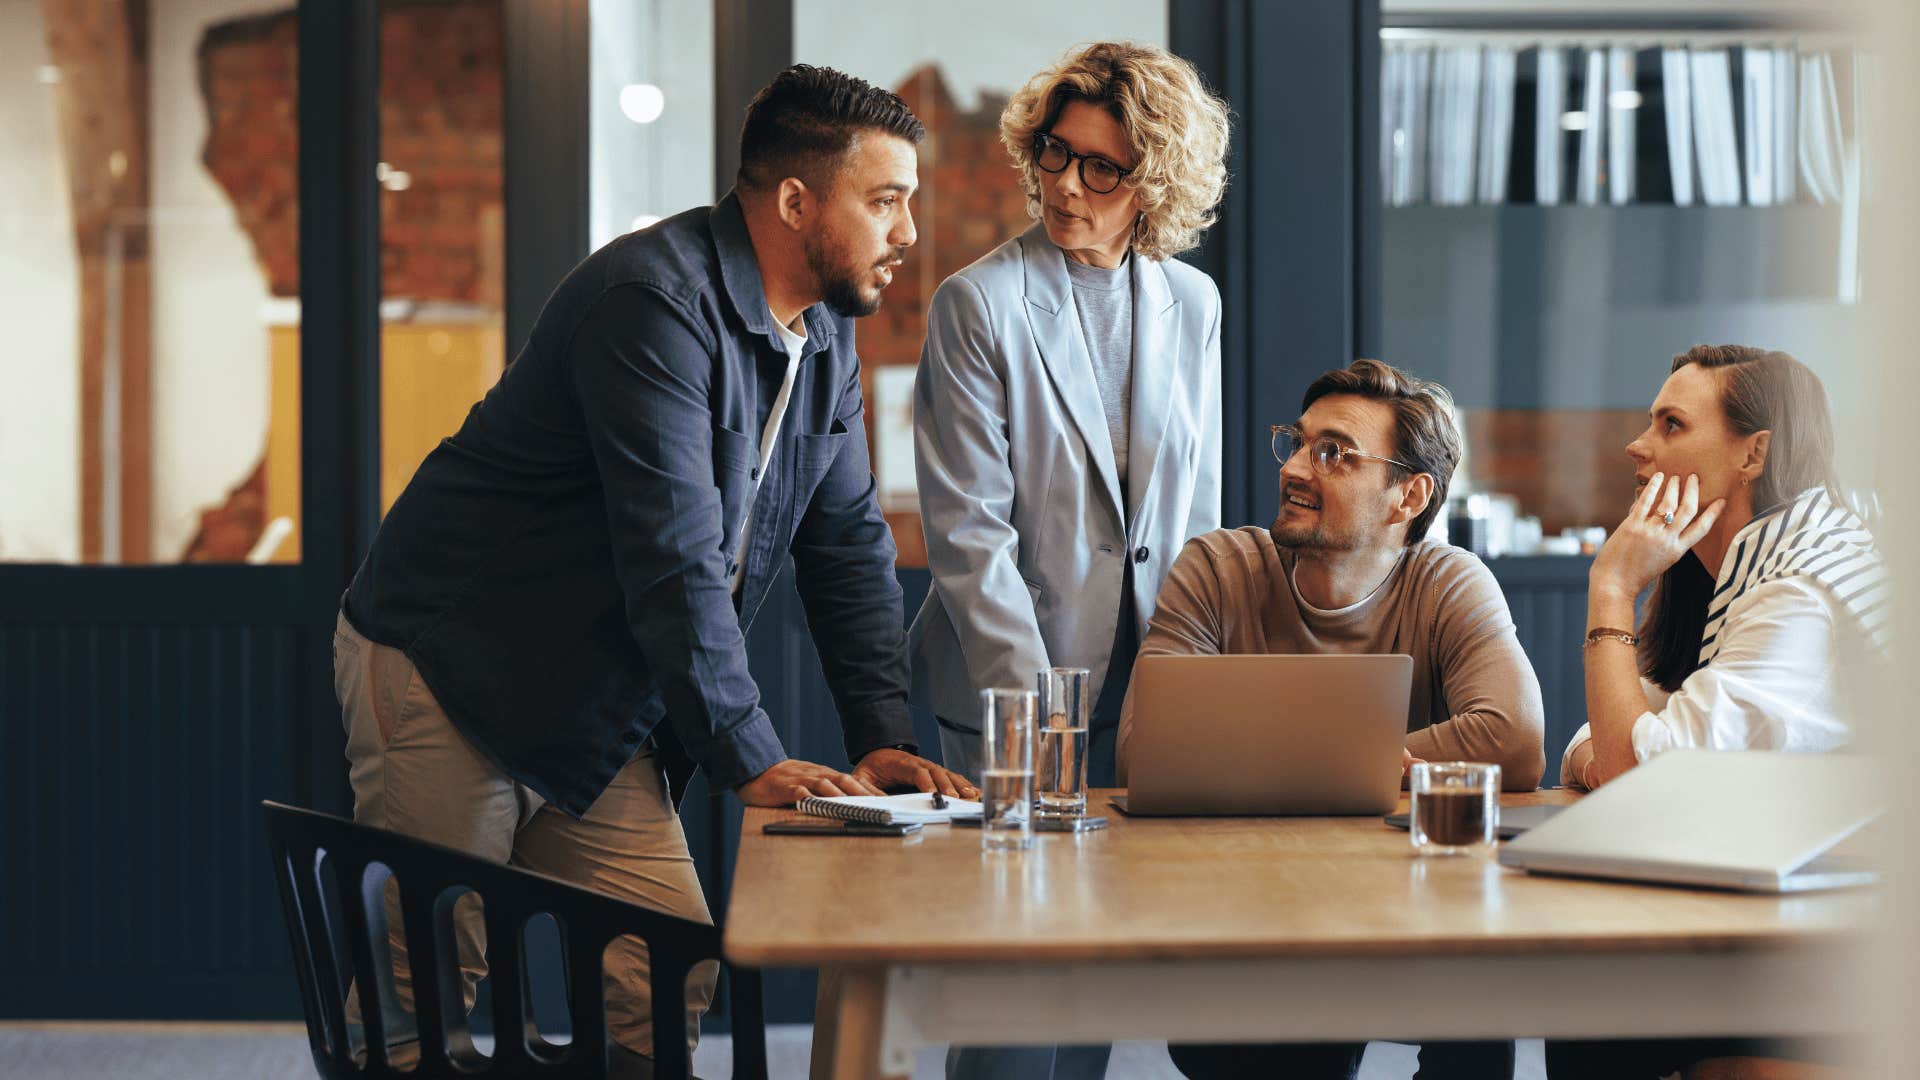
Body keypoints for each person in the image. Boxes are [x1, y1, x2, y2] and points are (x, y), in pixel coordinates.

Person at [333, 65, 973, 1075]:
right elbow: (673, 557)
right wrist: (751, 755)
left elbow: (846, 542)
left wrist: (882, 738)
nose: (907, 234)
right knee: (427, 985)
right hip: (450, 666)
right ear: (797, 201)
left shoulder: (823, 338)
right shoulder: (652, 305)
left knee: (662, 965)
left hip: (596, 692)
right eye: (885, 201)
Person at [907, 41, 1229, 1080]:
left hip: (1146, 693)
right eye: (1056, 154)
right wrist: (1036, 723)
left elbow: (1199, 511)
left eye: (1105, 168)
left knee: (1088, 973)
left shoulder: (1194, 304)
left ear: (1157, 183)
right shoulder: (978, 305)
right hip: (1009, 695)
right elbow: (968, 537)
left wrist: (1196, 682)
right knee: (1008, 997)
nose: (1068, 186)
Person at [1118, 359, 1545, 1080]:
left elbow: (1513, 737)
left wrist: (1286, 765)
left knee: (1479, 1014)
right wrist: (1365, 766)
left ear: (1408, 496)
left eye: (1334, 454)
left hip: (1417, 908)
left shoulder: (1449, 581)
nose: (1295, 467)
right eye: (1297, 442)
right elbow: (1142, 752)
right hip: (1254, 909)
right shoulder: (1217, 569)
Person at [1549, 345, 1886, 1080]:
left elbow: (1632, 764)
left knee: (1589, 1002)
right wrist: (1613, 752)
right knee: (1588, 998)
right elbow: (1613, 740)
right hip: (1773, 928)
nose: (1638, 446)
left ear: (1753, 454)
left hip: (1849, 963)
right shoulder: (1739, 574)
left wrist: (1610, 588)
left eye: (1671, 424)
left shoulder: (1799, 594)